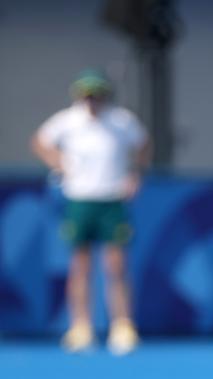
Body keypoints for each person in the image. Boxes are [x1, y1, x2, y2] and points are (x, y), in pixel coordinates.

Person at [31, 69, 150, 355]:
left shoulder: (122, 121)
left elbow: (143, 144)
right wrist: (57, 162)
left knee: (116, 265)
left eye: (96, 95)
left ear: (105, 96)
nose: (91, 100)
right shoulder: (68, 120)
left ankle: (122, 326)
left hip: (112, 199)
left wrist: (135, 174)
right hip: (80, 199)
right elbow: (40, 141)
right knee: (80, 265)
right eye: (86, 95)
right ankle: (80, 327)